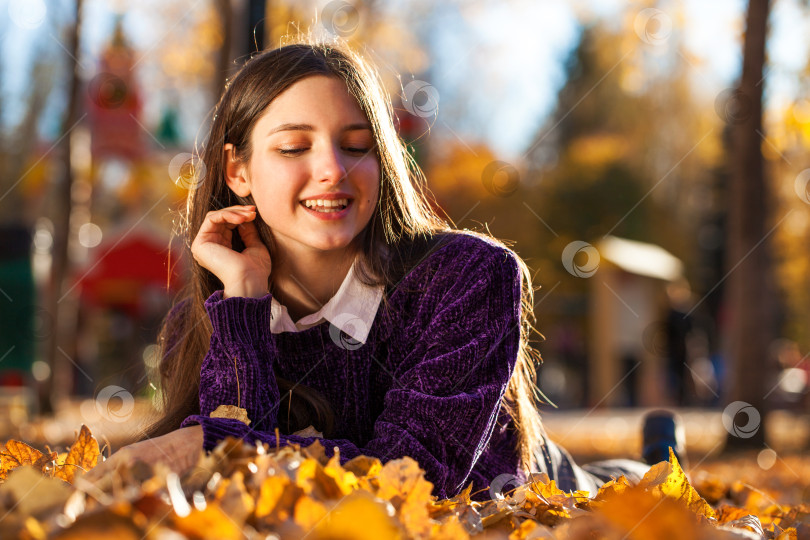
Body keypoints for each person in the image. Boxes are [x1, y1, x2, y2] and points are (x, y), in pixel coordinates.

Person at [86, 41, 675, 500]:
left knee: (637, 487)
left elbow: (413, 478)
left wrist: (218, 444)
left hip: (535, 487)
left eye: (356, 144)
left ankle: (655, 460)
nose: (332, 170)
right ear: (237, 171)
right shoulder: (205, 320)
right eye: (294, 148)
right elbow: (234, 483)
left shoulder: (469, 277)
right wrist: (242, 298)